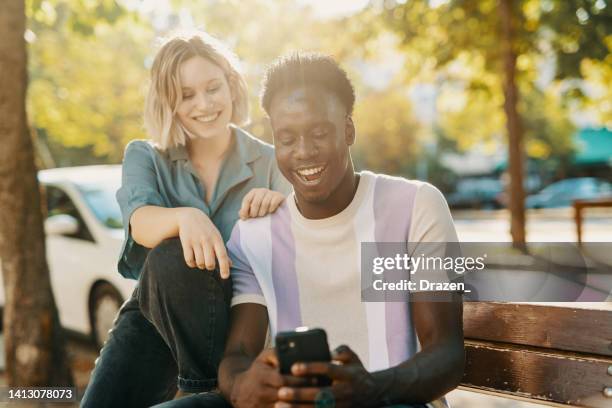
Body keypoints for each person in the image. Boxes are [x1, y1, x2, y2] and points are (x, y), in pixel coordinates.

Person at [159, 53, 464, 408]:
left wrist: (371, 389)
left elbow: (447, 353)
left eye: (319, 133)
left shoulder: (415, 205)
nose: (304, 152)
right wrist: (245, 386)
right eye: (287, 139)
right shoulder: (255, 236)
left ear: (349, 130)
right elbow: (238, 354)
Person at [81, 31, 289, 408]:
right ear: (168, 102)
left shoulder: (272, 161)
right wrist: (185, 217)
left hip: (243, 322)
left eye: (213, 88)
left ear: (231, 85)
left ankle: (206, 391)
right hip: (154, 318)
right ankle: (208, 391)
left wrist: (281, 204)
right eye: (187, 95)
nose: (204, 104)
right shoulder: (146, 155)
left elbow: (301, 238)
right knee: (169, 255)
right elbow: (140, 222)